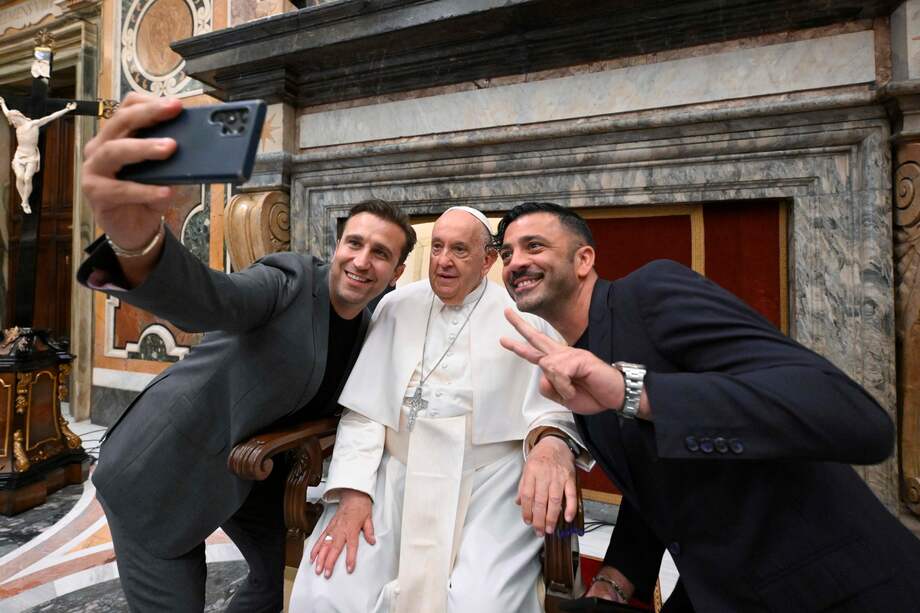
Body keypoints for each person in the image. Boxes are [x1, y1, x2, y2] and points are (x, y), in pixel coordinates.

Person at [76, 92, 417, 613]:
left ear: (396, 273)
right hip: (160, 471)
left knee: (290, 573)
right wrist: (139, 246)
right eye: (354, 243)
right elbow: (212, 300)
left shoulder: (370, 326)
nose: (362, 260)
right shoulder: (288, 281)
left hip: (247, 477)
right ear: (337, 246)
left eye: (381, 253)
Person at [496, 201, 920, 612]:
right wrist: (616, 580)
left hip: (837, 586)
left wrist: (634, 392)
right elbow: (660, 482)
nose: (516, 262)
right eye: (507, 253)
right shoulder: (576, 366)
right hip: (722, 590)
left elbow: (854, 418)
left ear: (583, 259)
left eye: (534, 246)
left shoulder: (649, 294)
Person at [289, 206, 590, 613]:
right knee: (330, 585)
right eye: (437, 248)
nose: (443, 260)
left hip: (488, 481)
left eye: (460, 250)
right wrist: (355, 491)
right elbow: (365, 411)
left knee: (482, 603)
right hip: (394, 473)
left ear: (487, 260)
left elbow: (554, 409)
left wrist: (551, 444)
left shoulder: (526, 314)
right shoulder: (396, 306)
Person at [0, 96, 76, 214]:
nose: (13, 123)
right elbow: (7, 114)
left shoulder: (33, 124)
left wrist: (67, 109)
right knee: (19, 177)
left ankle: (25, 201)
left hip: (31, 156)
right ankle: (24, 201)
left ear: (18, 117)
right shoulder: (18, 126)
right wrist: (2, 103)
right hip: (19, 155)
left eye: (13, 120)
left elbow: (51, 117)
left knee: (27, 178)